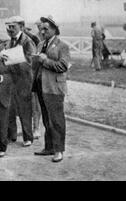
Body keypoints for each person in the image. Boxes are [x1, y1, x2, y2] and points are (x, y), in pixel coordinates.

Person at [32, 16, 70, 163]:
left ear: (54, 29)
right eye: (41, 28)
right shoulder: (41, 44)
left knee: (56, 120)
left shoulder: (62, 45)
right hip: (41, 86)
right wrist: (35, 61)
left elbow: (63, 66)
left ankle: (59, 150)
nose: (42, 31)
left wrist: (44, 61)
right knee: (47, 119)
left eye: (46, 28)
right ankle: (49, 147)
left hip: (54, 87)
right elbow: (36, 64)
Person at [5, 16, 37, 147]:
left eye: (13, 27)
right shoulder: (9, 42)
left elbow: (31, 61)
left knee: (24, 109)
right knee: (10, 108)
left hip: (24, 80)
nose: (10, 29)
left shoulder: (27, 41)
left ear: (21, 27)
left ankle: (27, 136)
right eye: (8, 27)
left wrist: (14, 60)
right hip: (11, 80)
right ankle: (11, 135)